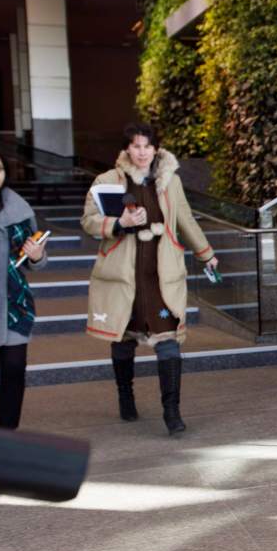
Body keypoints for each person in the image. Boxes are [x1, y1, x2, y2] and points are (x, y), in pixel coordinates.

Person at [81, 124, 218, 436]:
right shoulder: (107, 181)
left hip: (160, 280)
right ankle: (125, 396)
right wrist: (120, 222)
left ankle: (172, 411)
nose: (141, 152)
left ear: (156, 149)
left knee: (168, 341)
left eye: (147, 146)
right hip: (124, 278)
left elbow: (185, 219)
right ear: (127, 149)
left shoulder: (171, 181)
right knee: (123, 340)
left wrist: (206, 253)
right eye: (136, 146)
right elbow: (88, 221)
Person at [0, 147, 46, 430]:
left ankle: (7, 438)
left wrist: (37, 255)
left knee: (15, 371)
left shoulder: (19, 210)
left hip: (13, 306)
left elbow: (33, 262)